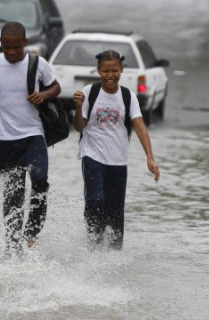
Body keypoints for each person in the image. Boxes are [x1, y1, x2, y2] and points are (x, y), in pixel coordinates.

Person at [0, 22, 61, 253]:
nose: (11, 52)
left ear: (25, 43)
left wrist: (43, 94)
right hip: (7, 141)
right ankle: (13, 245)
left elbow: (56, 88)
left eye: (16, 47)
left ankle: (32, 230)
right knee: (13, 195)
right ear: (1, 45)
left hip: (34, 136)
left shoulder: (38, 63)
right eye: (6, 47)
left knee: (40, 180)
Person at [73, 49, 160, 250]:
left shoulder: (128, 97)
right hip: (92, 155)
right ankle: (92, 247)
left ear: (121, 70)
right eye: (105, 71)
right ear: (98, 71)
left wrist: (150, 158)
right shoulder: (89, 93)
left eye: (114, 70)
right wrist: (78, 107)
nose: (109, 75)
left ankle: (114, 258)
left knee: (115, 213)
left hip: (118, 161)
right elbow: (79, 127)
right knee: (95, 200)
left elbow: (139, 126)